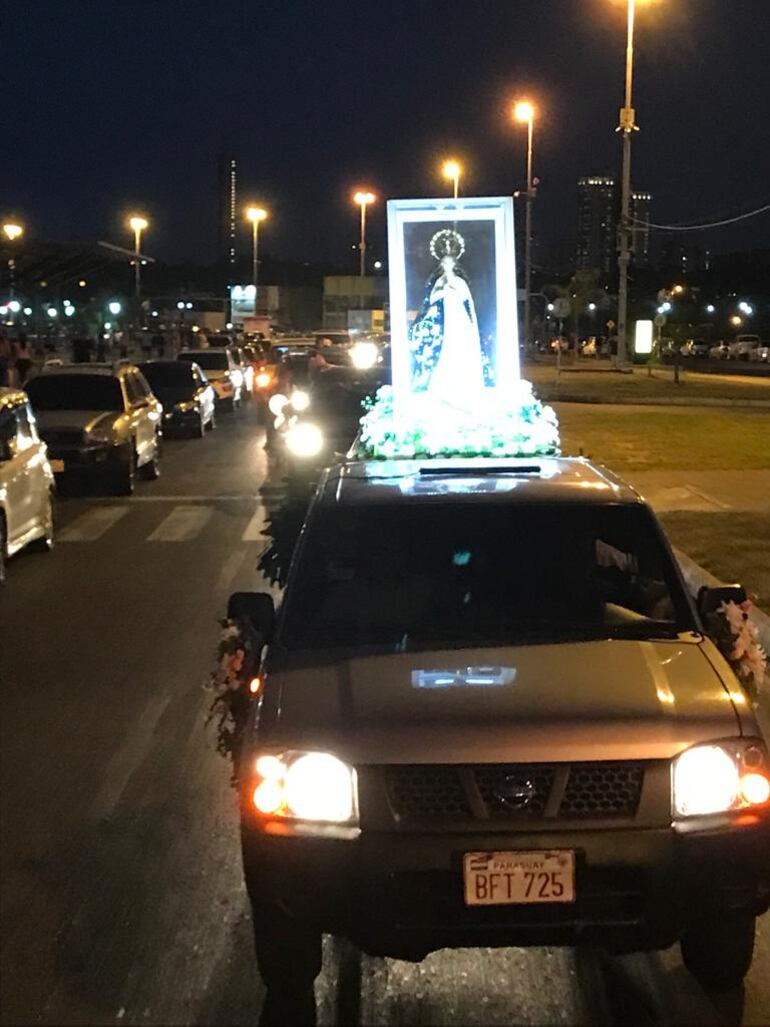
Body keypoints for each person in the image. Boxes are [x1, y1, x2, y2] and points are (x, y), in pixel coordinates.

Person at [409, 229, 485, 404]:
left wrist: (453, 289)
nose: (447, 266)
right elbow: (433, 297)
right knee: (447, 346)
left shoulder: (459, 281)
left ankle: (463, 383)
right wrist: (444, 291)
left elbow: (466, 298)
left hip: (459, 318)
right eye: (445, 263)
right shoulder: (440, 281)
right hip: (446, 318)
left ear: (454, 264)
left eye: (450, 263)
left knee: (461, 345)